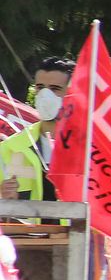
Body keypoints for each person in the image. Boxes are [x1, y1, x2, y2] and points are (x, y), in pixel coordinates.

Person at [0, 55, 73, 202]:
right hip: (31, 226)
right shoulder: (9, 149)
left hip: (76, 226)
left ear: (72, 94)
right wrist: (4, 200)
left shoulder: (92, 151)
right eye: (40, 87)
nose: (45, 95)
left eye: (55, 89)